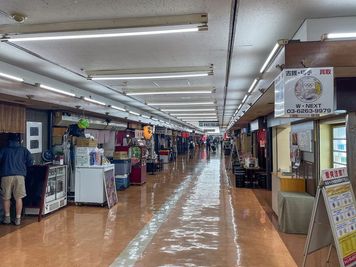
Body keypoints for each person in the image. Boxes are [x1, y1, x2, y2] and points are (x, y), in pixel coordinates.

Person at [0, 133, 33, 225]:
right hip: (20, 176)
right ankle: (18, 219)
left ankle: (7, 218)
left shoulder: (4, 150)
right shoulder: (24, 150)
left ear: (8, 141)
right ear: (19, 141)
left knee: (6, 198)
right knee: (19, 198)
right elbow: (30, 161)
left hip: (6, 175)